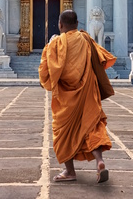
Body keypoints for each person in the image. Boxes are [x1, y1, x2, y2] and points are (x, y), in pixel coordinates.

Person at [39, 9, 116, 183]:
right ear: (78, 24)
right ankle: (100, 161)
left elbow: (47, 72)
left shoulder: (56, 44)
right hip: (87, 93)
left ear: (60, 24)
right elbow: (101, 59)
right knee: (92, 127)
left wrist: (49, 47)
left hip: (65, 99)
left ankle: (69, 171)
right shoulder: (86, 39)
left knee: (63, 133)